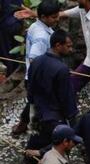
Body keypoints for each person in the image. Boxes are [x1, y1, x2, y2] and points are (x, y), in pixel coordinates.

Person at [20, 30, 77, 164]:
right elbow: (66, 97)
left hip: (36, 109)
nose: (70, 50)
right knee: (59, 146)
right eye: (68, 46)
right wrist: (72, 117)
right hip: (53, 114)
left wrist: (31, 105)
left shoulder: (37, 61)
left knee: (35, 139)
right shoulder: (61, 69)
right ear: (58, 45)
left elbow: (29, 86)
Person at [11, 0, 60, 137]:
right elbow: (34, 59)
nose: (57, 19)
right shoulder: (41, 37)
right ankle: (34, 130)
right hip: (37, 78)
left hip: (33, 76)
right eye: (54, 17)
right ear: (43, 17)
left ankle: (23, 124)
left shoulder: (35, 26)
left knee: (33, 101)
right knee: (37, 103)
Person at [0, 0, 23, 77]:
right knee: (13, 52)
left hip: (6, 25)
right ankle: (13, 73)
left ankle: (10, 75)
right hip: (17, 21)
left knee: (6, 54)